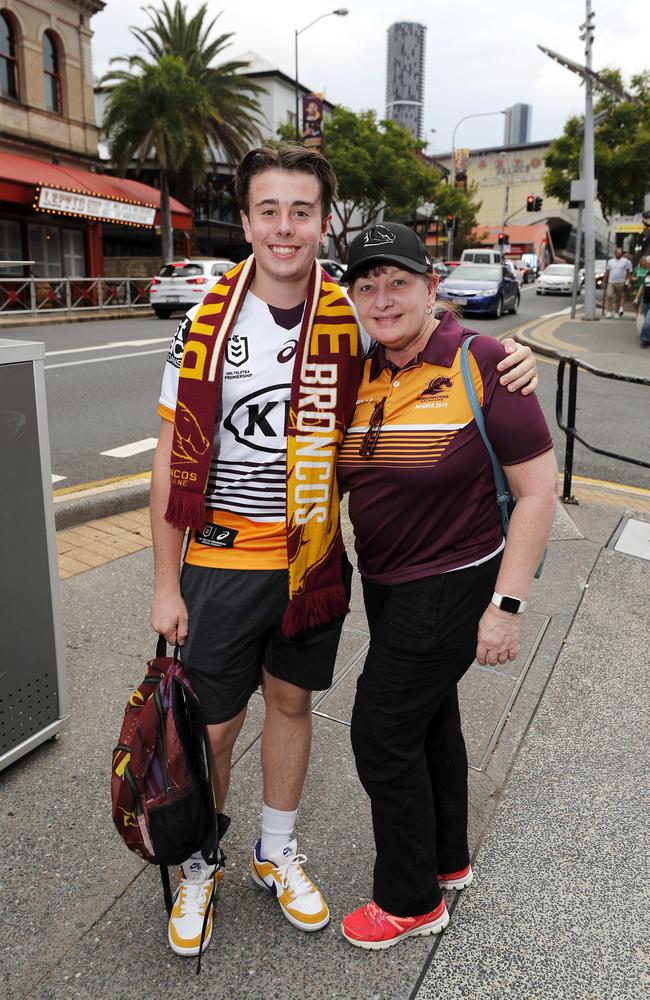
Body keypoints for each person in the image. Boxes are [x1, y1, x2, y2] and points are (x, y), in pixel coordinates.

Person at [149, 145, 539, 959]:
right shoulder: (208, 316)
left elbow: (428, 337)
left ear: (324, 222)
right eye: (268, 211)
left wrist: (513, 361)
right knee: (215, 730)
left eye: (301, 212)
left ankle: (276, 848)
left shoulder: (346, 316)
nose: (284, 228)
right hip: (222, 558)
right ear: (247, 219)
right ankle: (200, 861)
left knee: (292, 708)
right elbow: (169, 453)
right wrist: (164, 580)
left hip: (313, 560)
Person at [335, 222, 557, 950]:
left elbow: (538, 492)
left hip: (453, 580)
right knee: (431, 720)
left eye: (397, 281)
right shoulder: (361, 371)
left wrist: (507, 606)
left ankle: (409, 899)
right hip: (389, 581)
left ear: (432, 288)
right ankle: (447, 859)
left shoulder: (484, 359)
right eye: (366, 285)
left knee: (380, 728)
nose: (382, 297)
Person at [604, 247, 632, 317]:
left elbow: (628, 272)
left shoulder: (625, 262)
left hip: (621, 282)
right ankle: (609, 311)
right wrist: (604, 281)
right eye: (618, 253)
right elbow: (607, 272)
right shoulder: (610, 261)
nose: (619, 255)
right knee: (609, 295)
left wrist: (627, 281)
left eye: (620, 253)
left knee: (618, 298)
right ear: (615, 253)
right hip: (611, 282)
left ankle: (616, 312)